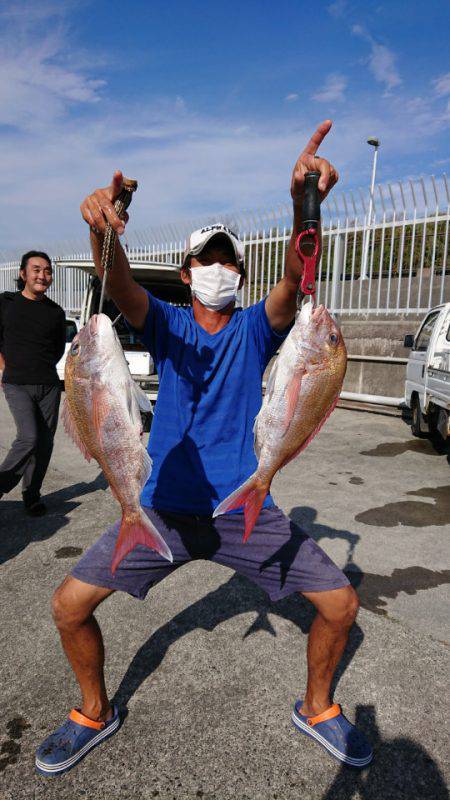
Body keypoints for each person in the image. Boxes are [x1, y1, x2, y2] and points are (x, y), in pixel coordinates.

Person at [36, 120, 373, 776]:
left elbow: (298, 280)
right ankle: (92, 711)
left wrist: (308, 203)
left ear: (238, 273)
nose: (218, 269)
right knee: (67, 606)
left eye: (228, 259)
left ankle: (317, 706)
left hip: (241, 509)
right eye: (206, 259)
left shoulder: (256, 328)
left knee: (341, 604)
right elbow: (119, 279)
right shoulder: (164, 323)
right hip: (158, 508)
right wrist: (102, 223)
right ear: (187, 272)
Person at [0, 251, 66, 516]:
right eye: (36, 269)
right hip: (17, 383)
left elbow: (58, 349)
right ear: (23, 274)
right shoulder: (6, 303)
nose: (42, 275)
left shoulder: (56, 312)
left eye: (47, 271)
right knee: (28, 437)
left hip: (49, 384)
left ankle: (32, 493)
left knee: (45, 443)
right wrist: (5, 367)